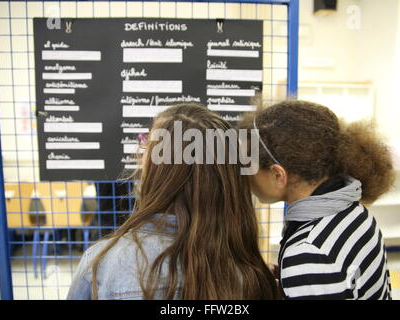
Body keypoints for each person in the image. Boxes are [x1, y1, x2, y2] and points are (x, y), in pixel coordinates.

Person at [67, 103, 280, 300]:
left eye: (145, 143)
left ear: (159, 170)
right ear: (229, 176)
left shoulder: (103, 262)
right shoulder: (254, 272)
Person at [239, 100, 395, 300]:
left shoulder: (309, 252)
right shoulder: (356, 213)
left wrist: (302, 271)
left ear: (278, 175)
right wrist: (292, 283)